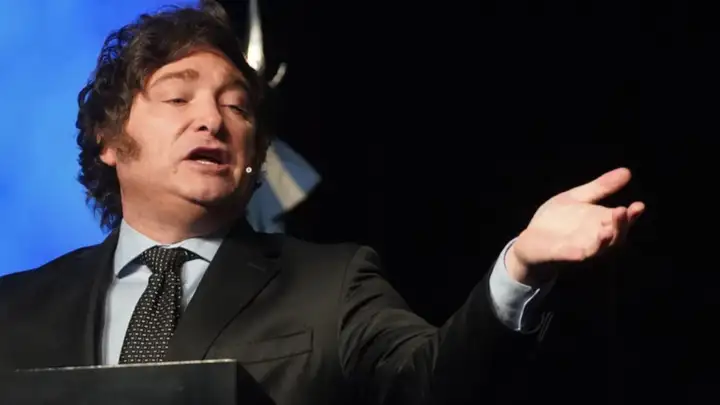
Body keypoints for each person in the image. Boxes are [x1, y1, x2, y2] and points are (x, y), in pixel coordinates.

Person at [0, 2, 645, 404]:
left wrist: (520, 269)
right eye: (177, 97)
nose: (213, 121)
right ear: (109, 139)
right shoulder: (14, 309)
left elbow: (435, 382)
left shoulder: (331, 286)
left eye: (236, 107)